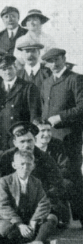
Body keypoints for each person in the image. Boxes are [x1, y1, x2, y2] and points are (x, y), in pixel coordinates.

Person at [38, 47, 83, 218]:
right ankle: (59, 215)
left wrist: (61, 117)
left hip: (70, 136)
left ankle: (80, 215)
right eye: (50, 61)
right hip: (51, 137)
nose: (54, 64)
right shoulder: (47, 82)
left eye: (57, 60)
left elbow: (81, 107)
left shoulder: (75, 79)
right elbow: (44, 108)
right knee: (54, 174)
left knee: (73, 174)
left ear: (64, 59)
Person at [0, 150, 59, 244]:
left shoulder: (36, 182)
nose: (25, 167)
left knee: (52, 218)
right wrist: (20, 224)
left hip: (30, 217)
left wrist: (34, 220)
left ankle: (37, 241)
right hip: (11, 219)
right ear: (14, 165)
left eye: (29, 164)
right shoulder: (5, 181)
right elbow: (3, 205)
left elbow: (44, 203)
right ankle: (40, 241)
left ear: (33, 166)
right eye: (22, 164)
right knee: (4, 228)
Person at [0, 55, 41, 132]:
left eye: (10, 68)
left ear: (16, 68)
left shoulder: (28, 87)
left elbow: (34, 114)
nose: (7, 72)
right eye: (4, 69)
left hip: (21, 130)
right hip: (2, 131)